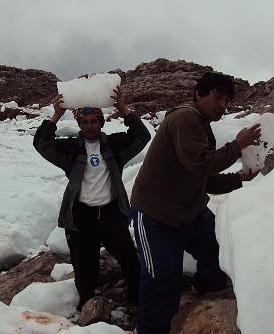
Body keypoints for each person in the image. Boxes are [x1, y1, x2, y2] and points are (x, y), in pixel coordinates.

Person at [129, 72, 262, 334]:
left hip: (190, 211)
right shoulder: (185, 118)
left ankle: (206, 291)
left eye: (227, 100)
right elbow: (200, 163)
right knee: (162, 280)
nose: (223, 105)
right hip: (156, 214)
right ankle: (151, 329)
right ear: (199, 94)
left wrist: (239, 178)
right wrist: (237, 146)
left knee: (216, 249)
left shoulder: (201, 124)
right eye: (217, 97)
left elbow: (202, 179)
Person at [33, 87, 151, 310]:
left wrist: (125, 111)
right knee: (85, 270)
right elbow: (42, 144)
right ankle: (89, 311)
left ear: (101, 122)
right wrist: (56, 116)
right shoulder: (69, 148)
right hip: (81, 217)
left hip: (111, 215)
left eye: (94, 121)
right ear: (79, 124)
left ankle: (136, 305)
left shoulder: (115, 145)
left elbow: (142, 137)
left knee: (130, 262)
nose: (89, 126)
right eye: (84, 121)